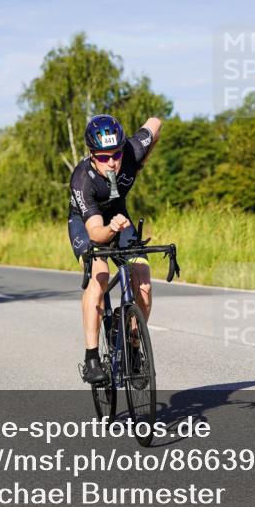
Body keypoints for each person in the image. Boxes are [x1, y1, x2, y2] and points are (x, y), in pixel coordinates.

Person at [68, 113, 162, 384]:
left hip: (119, 216)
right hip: (88, 224)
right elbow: (97, 233)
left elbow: (155, 123)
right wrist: (112, 230)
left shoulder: (131, 151)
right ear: (91, 155)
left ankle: (133, 349)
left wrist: (142, 160)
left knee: (143, 281)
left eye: (116, 155)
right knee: (99, 277)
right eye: (102, 157)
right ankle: (92, 357)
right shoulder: (82, 180)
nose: (111, 162)